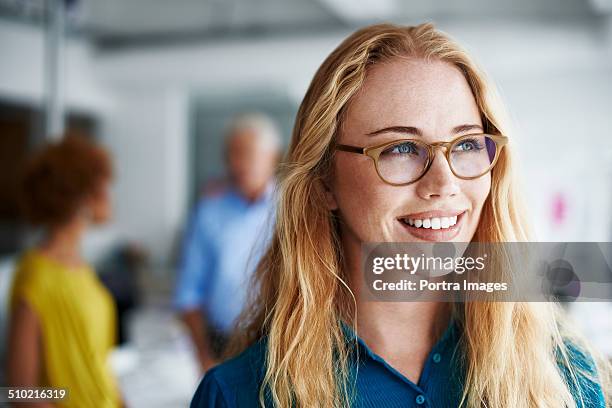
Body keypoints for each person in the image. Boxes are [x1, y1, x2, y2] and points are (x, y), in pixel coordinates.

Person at [190, 23, 611, 407]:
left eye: (465, 145)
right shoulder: (239, 394)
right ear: (323, 183)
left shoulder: (565, 379)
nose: (444, 183)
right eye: (400, 149)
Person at [7, 135, 122, 407]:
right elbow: (20, 391)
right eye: (103, 184)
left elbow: (97, 365)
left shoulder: (81, 269)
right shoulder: (37, 276)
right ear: (80, 195)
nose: (110, 194)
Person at [175, 113, 280, 373]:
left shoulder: (294, 209)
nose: (238, 164)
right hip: (221, 344)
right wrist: (202, 357)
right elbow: (189, 293)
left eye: (247, 154)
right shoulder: (208, 212)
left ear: (272, 158)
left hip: (280, 342)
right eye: (232, 155)